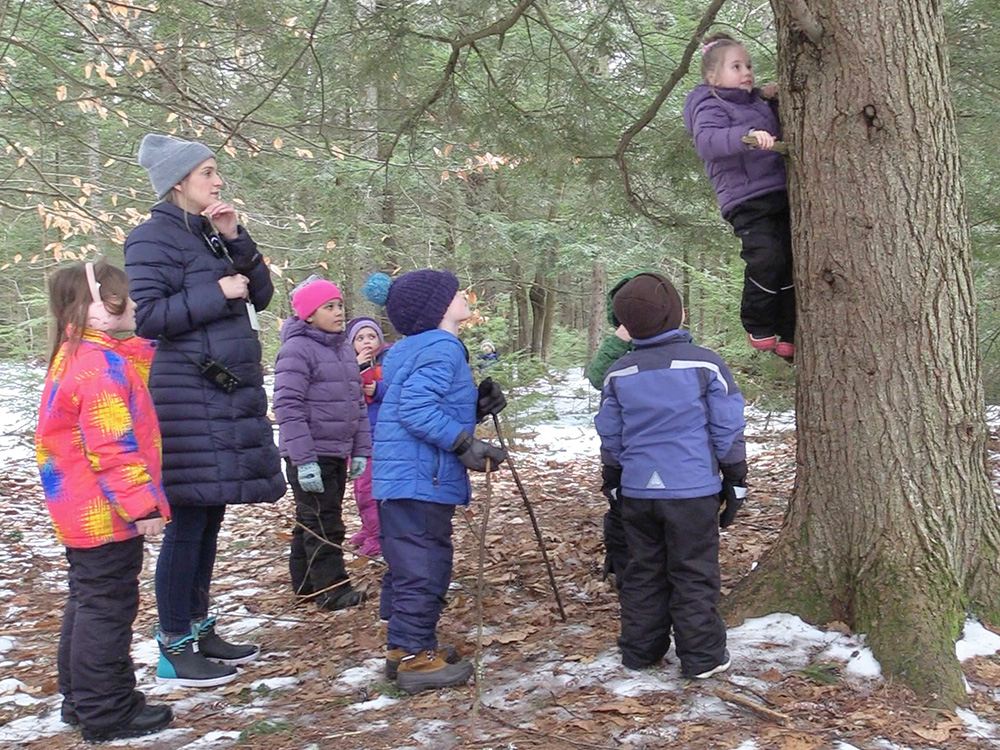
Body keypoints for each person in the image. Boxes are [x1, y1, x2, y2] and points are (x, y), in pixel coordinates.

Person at [125, 133, 286, 688]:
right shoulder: (150, 238)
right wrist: (218, 291)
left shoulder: (213, 236)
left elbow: (260, 296)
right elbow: (147, 317)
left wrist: (235, 239)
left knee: (210, 515)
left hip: (226, 393)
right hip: (189, 393)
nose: (218, 181)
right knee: (190, 519)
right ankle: (174, 644)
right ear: (178, 182)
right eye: (207, 172)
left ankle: (198, 626)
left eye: (216, 172)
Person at [36, 261, 174, 742]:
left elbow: (132, 364)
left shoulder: (84, 355)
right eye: (122, 298)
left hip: (79, 505)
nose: (133, 305)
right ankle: (107, 710)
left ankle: (82, 700)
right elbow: (111, 444)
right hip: (102, 510)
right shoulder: (96, 367)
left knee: (89, 599)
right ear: (95, 310)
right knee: (106, 606)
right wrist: (142, 506)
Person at [594, 272, 747, 679]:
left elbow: (611, 432)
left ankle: (640, 652)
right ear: (678, 314)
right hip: (691, 490)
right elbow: (726, 425)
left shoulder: (619, 372)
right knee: (693, 571)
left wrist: (612, 477)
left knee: (643, 569)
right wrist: (735, 476)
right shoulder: (705, 364)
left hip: (638, 491)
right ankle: (703, 657)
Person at [362, 269, 507, 694]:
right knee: (424, 567)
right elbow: (416, 410)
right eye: (454, 292)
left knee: (410, 565)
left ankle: (403, 648)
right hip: (419, 477)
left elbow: (421, 401)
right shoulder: (442, 347)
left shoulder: (413, 348)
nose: (464, 295)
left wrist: (474, 407)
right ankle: (414, 658)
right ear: (439, 308)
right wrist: (464, 444)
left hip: (404, 478)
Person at [683, 32, 795, 359]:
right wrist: (745, 137)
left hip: (778, 191)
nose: (746, 71)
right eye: (736, 66)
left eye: (748, 65)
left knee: (791, 261)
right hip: (746, 199)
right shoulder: (709, 104)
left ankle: (789, 332)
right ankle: (757, 321)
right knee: (767, 256)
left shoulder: (754, 102)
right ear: (713, 76)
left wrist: (773, 100)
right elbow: (708, 142)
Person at [273, 277, 371, 610]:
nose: (338, 312)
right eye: (329, 307)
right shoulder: (297, 349)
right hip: (309, 453)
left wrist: (360, 449)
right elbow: (287, 404)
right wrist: (304, 459)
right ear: (309, 314)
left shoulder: (343, 347)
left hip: (336, 450)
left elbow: (356, 402)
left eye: (340, 305)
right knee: (323, 522)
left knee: (312, 519)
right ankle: (332, 590)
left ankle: (306, 585)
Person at [584, 269, 655, 590]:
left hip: (663, 443)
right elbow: (598, 376)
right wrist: (621, 338)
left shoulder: (669, 341)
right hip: (624, 446)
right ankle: (621, 566)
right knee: (620, 509)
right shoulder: (619, 347)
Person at [346, 316, 390, 558]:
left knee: (369, 489)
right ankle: (368, 527)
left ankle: (377, 536)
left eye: (371, 336)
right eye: (360, 338)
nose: (366, 342)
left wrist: (379, 389)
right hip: (356, 437)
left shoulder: (388, 363)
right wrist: (355, 370)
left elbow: (399, 391)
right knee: (359, 488)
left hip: (379, 438)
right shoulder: (347, 364)